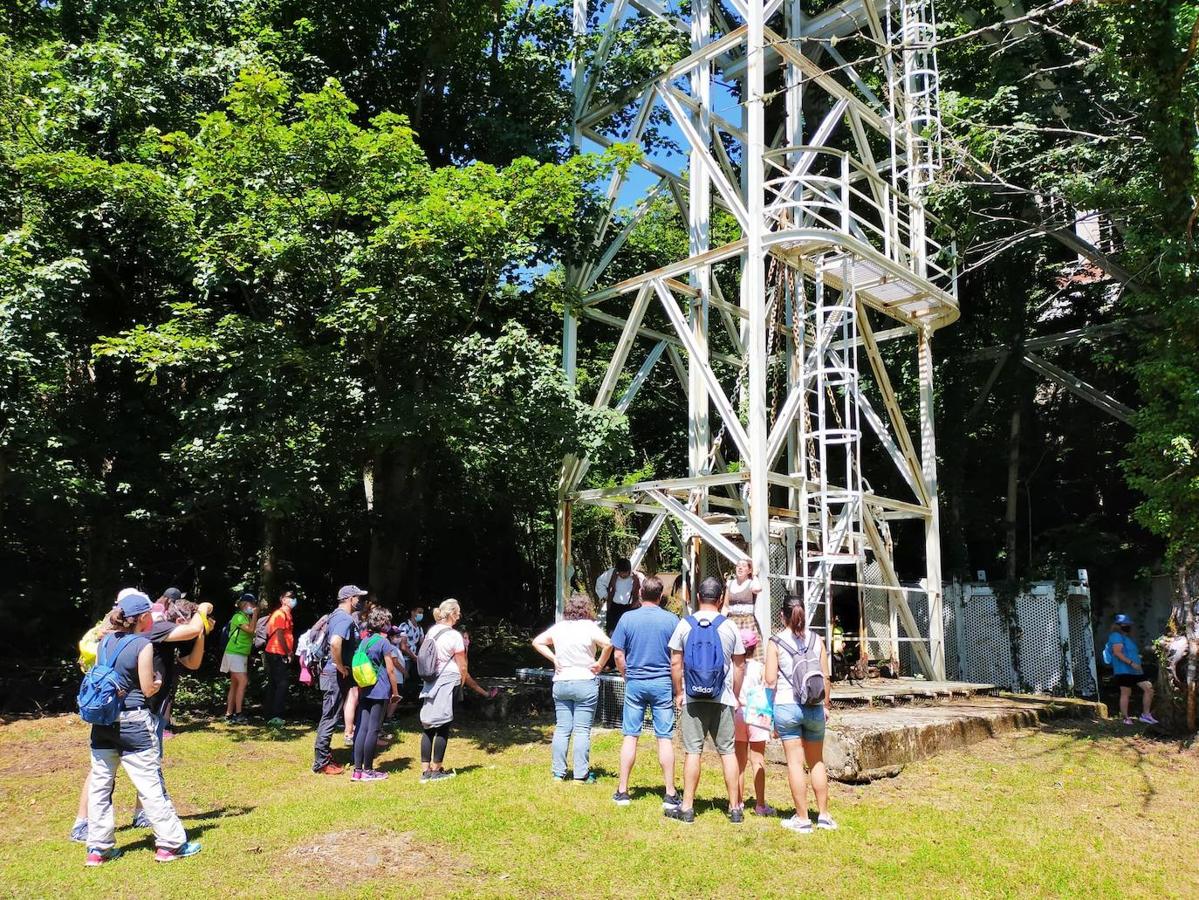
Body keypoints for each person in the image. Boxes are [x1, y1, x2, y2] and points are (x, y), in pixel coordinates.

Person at [70, 594, 211, 842]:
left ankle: (99, 844)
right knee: (149, 779)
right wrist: (202, 612)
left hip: (109, 717)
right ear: (144, 617)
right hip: (136, 717)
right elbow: (147, 687)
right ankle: (170, 843)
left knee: (104, 778)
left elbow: (191, 658)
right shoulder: (146, 639)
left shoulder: (107, 640)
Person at [666, 576, 746, 825]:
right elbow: (739, 665)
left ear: (698, 597)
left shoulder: (684, 624)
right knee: (728, 752)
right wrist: (734, 693)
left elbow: (676, 663)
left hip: (693, 698)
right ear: (721, 598)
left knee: (693, 752)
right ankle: (734, 808)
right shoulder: (729, 626)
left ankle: (687, 807)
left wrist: (679, 692)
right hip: (722, 698)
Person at [765, 592, 836, 833]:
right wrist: (825, 705)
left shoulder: (776, 642)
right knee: (816, 761)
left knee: (795, 764)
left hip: (787, 705)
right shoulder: (817, 640)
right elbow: (826, 677)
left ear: (782, 616)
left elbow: (770, 680)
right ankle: (824, 816)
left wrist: (769, 714)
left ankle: (803, 818)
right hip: (815, 707)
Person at [610, 575, 681, 808]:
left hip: (636, 683)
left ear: (640, 594)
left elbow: (618, 654)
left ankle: (622, 790)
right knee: (665, 738)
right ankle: (670, 792)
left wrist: (625, 674)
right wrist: (676, 687)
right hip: (662, 684)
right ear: (661, 597)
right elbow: (676, 659)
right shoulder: (672, 620)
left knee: (631, 735)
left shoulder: (627, 619)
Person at [532, 593, 613, 783]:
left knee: (562, 728)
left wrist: (554, 658)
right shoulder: (589, 627)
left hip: (561, 681)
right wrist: (600, 663)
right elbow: (608, 644)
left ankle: (558, 773)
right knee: (582, 730)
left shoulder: (559, 627)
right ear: (587, 609)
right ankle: (580, 775)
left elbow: (537, 642)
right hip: (585, 680)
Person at [419, 598, 495, 782]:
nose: (459, 616)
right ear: (452, 613)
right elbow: (462, 666)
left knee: (428, 725)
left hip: (430, 681)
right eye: (458, 613)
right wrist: (461, 682)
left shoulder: (431, 631)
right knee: (443, 725)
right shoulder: (454, 636)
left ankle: (425, 771)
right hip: (448, 680)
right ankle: (436, 771)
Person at [313, 585, 368, 774]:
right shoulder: (343, 618)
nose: (360, 601)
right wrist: (339, 665)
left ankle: (325, 756)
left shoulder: (337, 616)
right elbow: (335, 642)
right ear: (350, 598)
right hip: (334, 674)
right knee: (330, 716)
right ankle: (321, 763)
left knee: (331, 714)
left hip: (335, 673)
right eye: (358, 597)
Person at [352, 606, 401, 781]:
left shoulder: (365, 641)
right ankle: (369, 770)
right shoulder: (384, 643)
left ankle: (357, 771)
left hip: (365, 687)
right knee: (373, 730)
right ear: (384, 623)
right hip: (379, 690)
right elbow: (390, 670)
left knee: (362, 729)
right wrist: (395, 692)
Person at [734, 628, 773, 817]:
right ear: (755, 646)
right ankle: (760, 804)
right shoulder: (760, 667)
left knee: (738, 762)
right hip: (757, 715)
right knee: (757, 760)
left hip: (738, 713)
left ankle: (737, 802)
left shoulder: (733, 667)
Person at [1106, 613, 1158, 725]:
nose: (1128, 626)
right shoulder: (1116, 636)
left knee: (1149, 688)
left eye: (1128, 624)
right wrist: (1131, 663)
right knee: (1126, 692)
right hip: (1124, 670)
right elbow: (1117, 653)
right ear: (1118, 625)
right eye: (1125, 624)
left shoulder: (1126, 637)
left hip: (1135, 670)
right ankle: (1125, 717)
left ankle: (1146, 715)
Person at [154, 587, 189, 737]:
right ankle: (163, 726)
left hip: (161, 657)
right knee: (163, 690)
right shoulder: (160, 614)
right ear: (171, 600)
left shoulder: (155, 610)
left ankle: (163, 723)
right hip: (159, 659)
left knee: (164, 690)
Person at [221, 593, 258, 722]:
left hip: (240, 654)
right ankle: (238, 713)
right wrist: (255, 615)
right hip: (234, 653)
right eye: (252, 604)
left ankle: (229, 714)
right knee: (243, 681)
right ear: (244, 604)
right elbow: (251, 630)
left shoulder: (245, 618)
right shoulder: (238, 617)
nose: (253, 607)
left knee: (235, 684)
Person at [264, 589, 298, 727]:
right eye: (290, 597)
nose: (293, 599)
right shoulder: (279, 614)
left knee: (274, 684)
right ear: (282, 599)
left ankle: (269, 714)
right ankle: (276, 715)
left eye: (294, 597)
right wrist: (288, 652)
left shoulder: (286, 614)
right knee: (282, 684)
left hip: (276, 652)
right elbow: (278, 635)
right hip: (276, 652)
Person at [595, 557, 641, 637]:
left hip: (629, 608)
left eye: (625, 573)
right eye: (621, 573)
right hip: (614, 607)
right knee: (612, 632)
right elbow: (600, 582)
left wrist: (639, 601)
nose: (623, 575)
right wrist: (605, 596)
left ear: (629, 570)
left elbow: (645, 588)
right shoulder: (611, 573)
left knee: (628, 632)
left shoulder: (637, 576)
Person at [721, 558, 763, 645]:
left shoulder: (751, 583)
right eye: (738, 566)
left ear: (749, 570)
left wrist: (754, 575)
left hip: (747, 621)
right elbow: (725, 606)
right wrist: (721, 621)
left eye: (744, 566)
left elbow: (758, 589)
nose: (740, 568)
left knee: (749, 650)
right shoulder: (730, 583)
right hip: (732, 620)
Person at [397, 605, 425, 701]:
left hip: (414, 658)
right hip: (404, 659)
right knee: (401, 681)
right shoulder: (404, 626)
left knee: (413, 681)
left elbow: (423, 644)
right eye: (419, 612)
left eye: (422, 612)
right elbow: (403, 646)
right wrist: (414, 657)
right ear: (413, 612)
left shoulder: (420, 628)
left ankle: (408, 701)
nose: (421, 614)